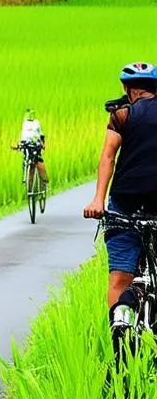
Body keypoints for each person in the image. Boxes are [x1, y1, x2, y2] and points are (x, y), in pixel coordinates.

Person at [83, 61, 157, 328]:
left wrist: (98, 200)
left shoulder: (122, 114)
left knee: (119, 280)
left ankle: (120, 333)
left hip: (124, 207)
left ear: (127, 88)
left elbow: (108, 156)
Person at [14, 107, 48, 188]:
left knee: (38, 161)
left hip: (36, 146)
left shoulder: (36, 123)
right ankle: (29, 184)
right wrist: (19, 145)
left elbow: (41, 135)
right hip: (27, 146)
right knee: (26, 161)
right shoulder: (24, 124)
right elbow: (23, 137)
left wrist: (42, 144)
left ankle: (44, 182)